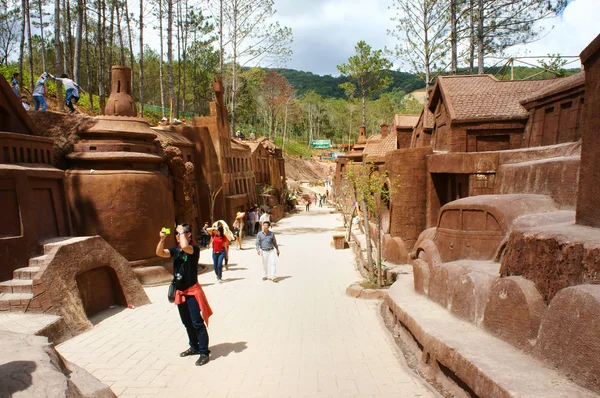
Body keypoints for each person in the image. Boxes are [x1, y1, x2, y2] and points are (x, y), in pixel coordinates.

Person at [155, 223, 212, 366]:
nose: (178, 235)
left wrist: (181, 232)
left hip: (192, 292)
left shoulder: (194, 248)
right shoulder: (175, 250)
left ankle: (204, 352)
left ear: (188, 234)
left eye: (181, 233)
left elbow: (186, 247)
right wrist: (162, 240)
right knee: (187, 323)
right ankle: (194, 347)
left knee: (197, 323)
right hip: (180, 293)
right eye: (176, 233)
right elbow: (159, 253)